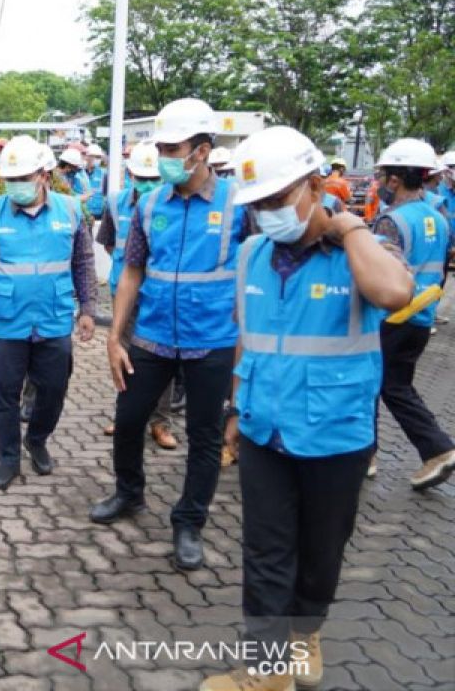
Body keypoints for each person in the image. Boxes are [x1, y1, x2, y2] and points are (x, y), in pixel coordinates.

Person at [199, 126, 413, 691]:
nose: (266, 213)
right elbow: (249, 338)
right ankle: (268, 673)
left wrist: (352, 227)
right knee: (266, 551)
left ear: (314, 184)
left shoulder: (360, 253)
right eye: (256, 205)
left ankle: (306, 633)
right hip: (266, 430)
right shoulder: (251, 255)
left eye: (275, 199)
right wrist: (235, 407)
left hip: (336, 435)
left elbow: (394, 295)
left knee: (322, 551)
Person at [90, 98, 248, 572]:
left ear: (201, 150)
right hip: (153, 336)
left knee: (203, 436)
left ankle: (189, 522)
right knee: (130, 417)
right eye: (159, 147)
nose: (163, 157)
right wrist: (115, 337)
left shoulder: (239, 204)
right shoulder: (150, 202)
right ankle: (129, 493)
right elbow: (133, 270)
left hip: (213, 340)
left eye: (171, 147)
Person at [0, 136, 97, 489]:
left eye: (24, 177)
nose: (16, 185)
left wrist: (88, 308)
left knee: (54, 387)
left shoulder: (70, 211)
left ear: (44, 175)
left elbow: (83, 262)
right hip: (6, 320)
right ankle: (8, 459)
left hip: (53, 318)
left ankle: (36, 439)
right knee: (4, 393)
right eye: (11, 179)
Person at [371, 138, 455, 490]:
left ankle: (437, 448)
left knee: (384, 385)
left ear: (394, 180)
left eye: (382, 176)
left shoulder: (392, 221)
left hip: (392, 317)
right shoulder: (437, 217)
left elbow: (378, 276)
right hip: (421, 316)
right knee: (388, 384)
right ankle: (368, 455)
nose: (377, 184)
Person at [96, 141, 178, 451]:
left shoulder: (171, 205)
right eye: (141, 178)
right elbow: (107, 243)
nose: (146, 184)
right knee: (124, 355)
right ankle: (126, 416)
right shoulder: (115, 204)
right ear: (130, 175)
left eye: (153, 178)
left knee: (163, 359)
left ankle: (160, 422)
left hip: (159, 296)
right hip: (125, 294)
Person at [82, 143, 107, 220]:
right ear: (87, 157)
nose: (97, 159)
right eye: (94, 156)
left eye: (99, 157)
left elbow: (106, 194)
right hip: (83, 212)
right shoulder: (80, 173)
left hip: (99, 214)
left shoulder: (104, 173)